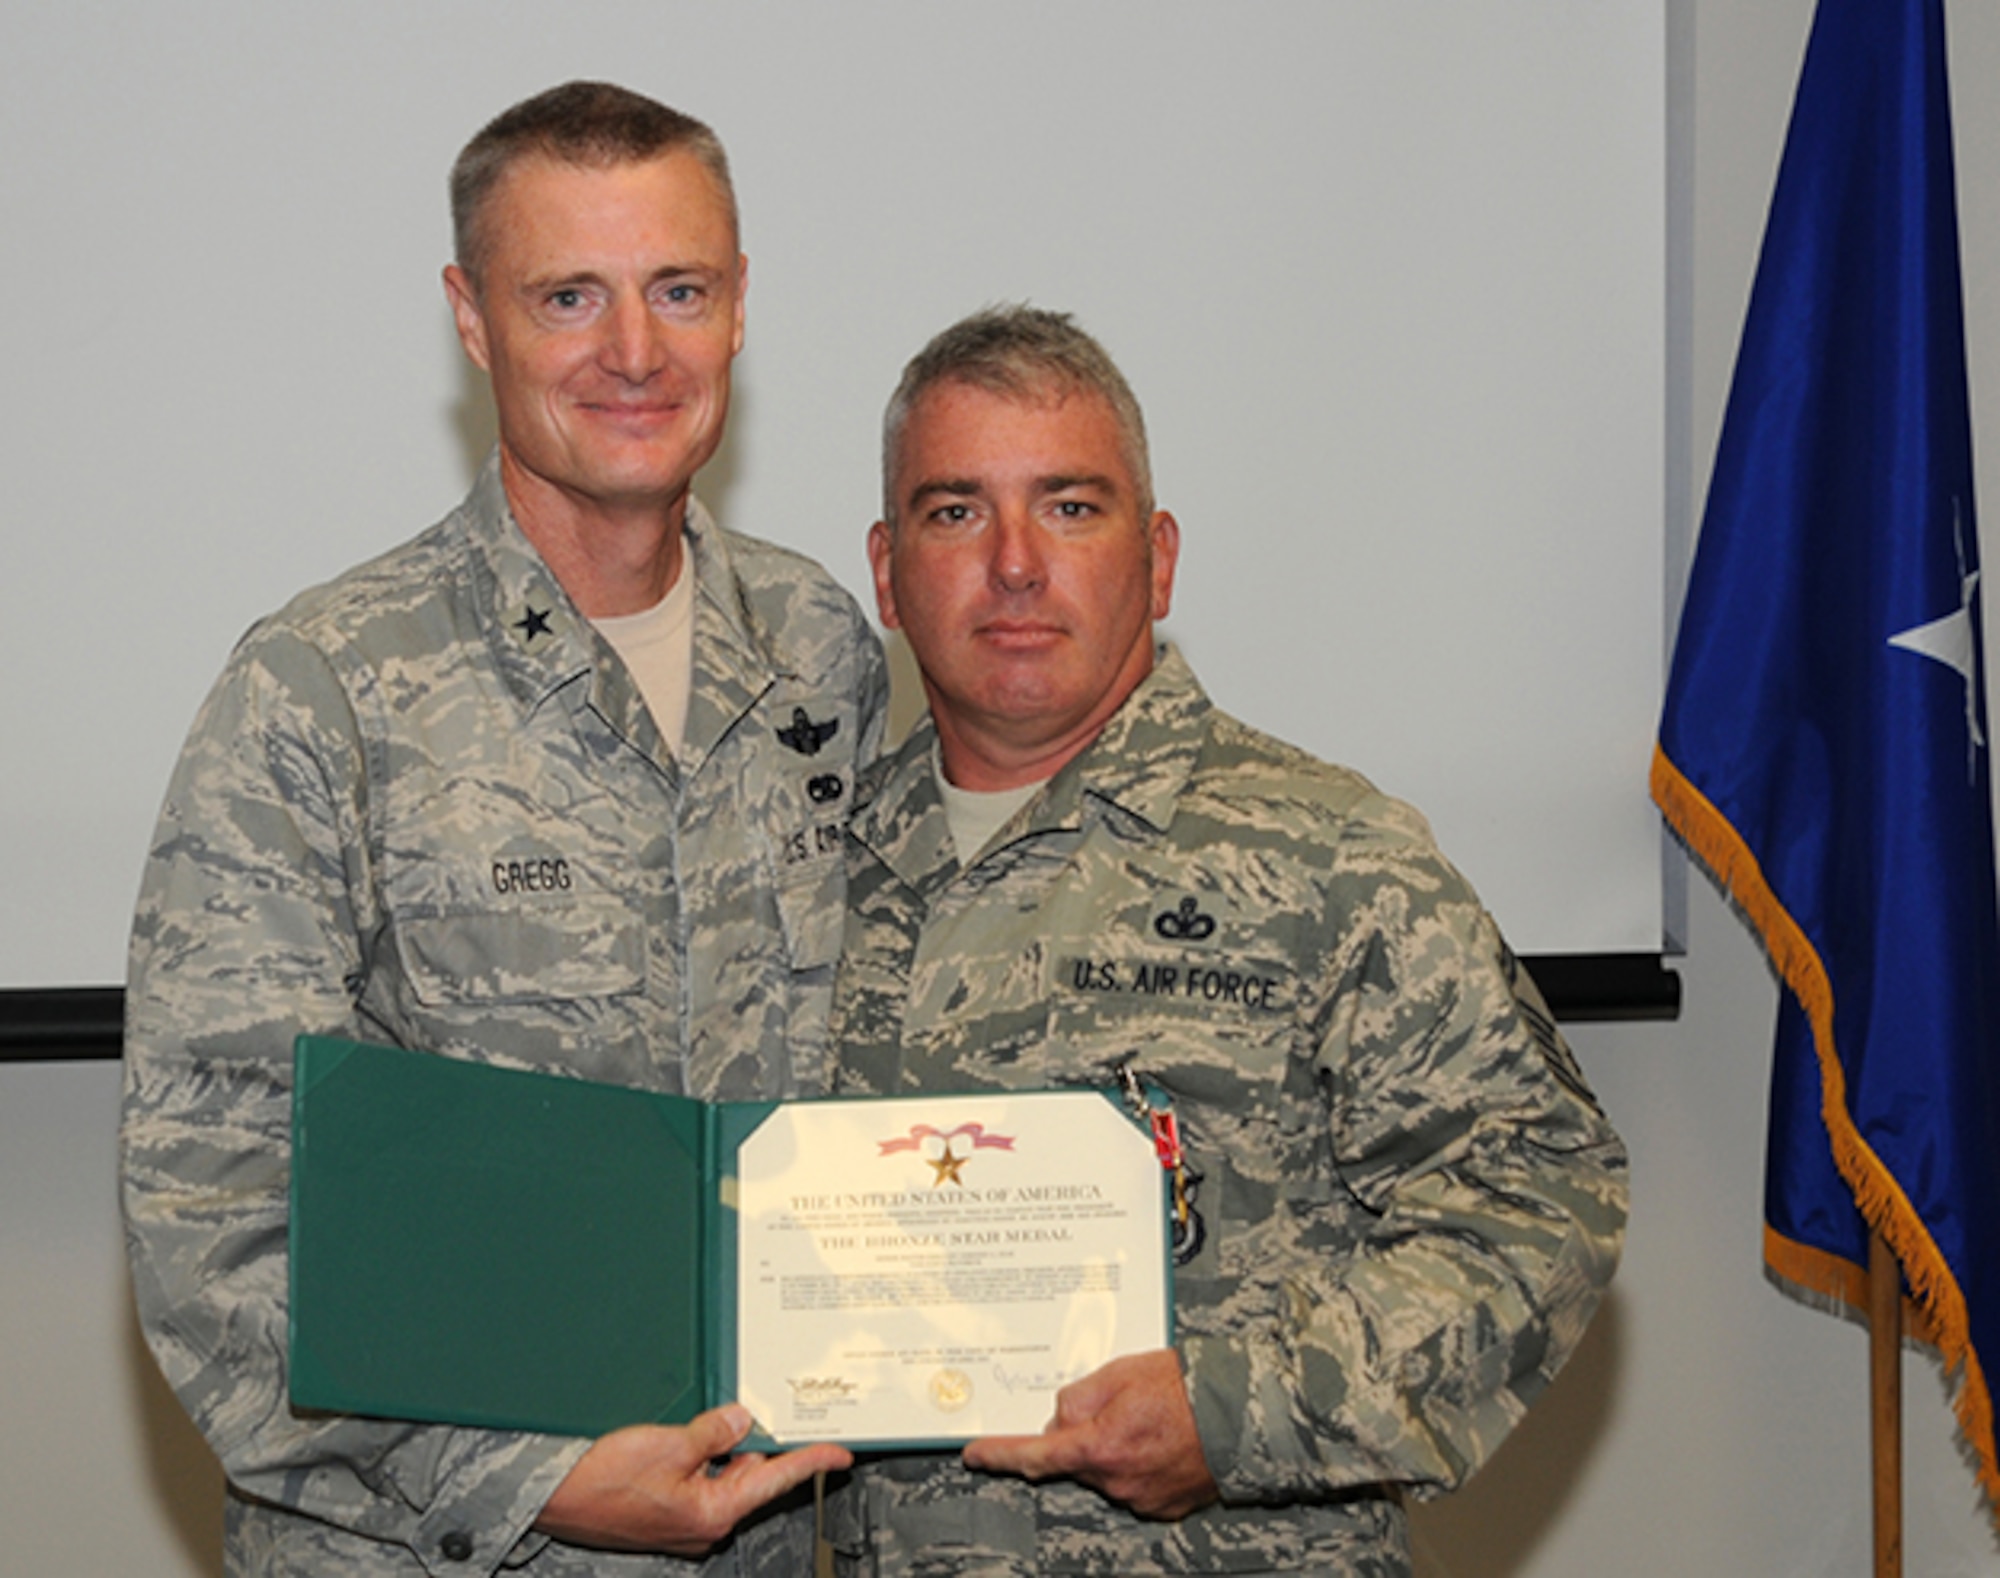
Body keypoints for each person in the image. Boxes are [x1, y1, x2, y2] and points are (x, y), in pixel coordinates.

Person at [121, 82, 886, 1576]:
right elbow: (210, 1216)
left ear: (740, 307)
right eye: (567, 297)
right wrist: (524, 1474)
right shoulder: (322, 691)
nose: (633, 352)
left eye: (679, 289)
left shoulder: (822, 651)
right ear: (472, 320)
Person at [825, 305, 1629, 1576]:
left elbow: (1537, 1201)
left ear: (1157, 558)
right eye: (955, 511)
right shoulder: (811, 876)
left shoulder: (1329, 858)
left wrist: (1234, 1412)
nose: (1016, 563)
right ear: (885, 569)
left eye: (1071, 508)